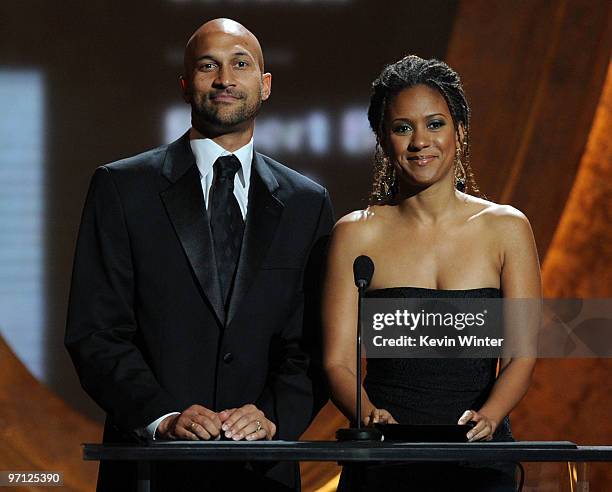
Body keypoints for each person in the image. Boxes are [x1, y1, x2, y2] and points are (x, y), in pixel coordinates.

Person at [65, 18, 333, 491]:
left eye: (240, 64)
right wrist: (162, 417)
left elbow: (312, 346)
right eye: (209, 66)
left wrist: (270, 418)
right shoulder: (122, 188)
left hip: (263, 472)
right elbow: (97, 332)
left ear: (265, 85)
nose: (226, 79)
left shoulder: (307, 203)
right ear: (186, 84)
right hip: (152, 470)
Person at [322, 55, 540, 491]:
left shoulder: (507, 228)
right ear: (384, 140)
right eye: (403, 128)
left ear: (459, 131)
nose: (420, 141)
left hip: (479, 461)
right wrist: (366, 413)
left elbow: (521, 356)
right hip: (383, 459)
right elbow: (337, 361)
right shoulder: (355, 233)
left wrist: (491, 416)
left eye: (435, 124)